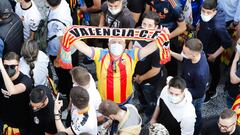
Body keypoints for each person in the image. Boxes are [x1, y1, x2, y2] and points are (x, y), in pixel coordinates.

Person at [70, 29, 170, 104]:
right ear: (108, 44)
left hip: (126, 100)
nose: (117, 44)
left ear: (125, 44)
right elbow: (84, 48)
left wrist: (161, 38)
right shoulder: (100, 54)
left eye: (120, 42)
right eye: (113, 42)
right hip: (105, 100)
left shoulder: (131, 55)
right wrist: (71, 37)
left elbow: (149, 48)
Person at [131, 11, 167, 120]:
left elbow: (155, 70)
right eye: (144, 24)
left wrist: (140, 78)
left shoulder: (157, 45)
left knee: (150, 98)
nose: (146, 28)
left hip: (148, 80)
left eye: (150, 25)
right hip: (136, 74)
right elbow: (130, 45)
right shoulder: (137, 32)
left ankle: (150, 115)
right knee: (140, 94)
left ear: (156, 27)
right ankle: (143, 106)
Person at [170, 38, 210, 135]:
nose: (182, 53)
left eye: (185, 52)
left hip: (195, 97)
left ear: (193, 54)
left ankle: (197, 130)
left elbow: (199, 92)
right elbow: (184, 59)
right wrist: (170, 53)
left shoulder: (200, 73)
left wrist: (181, 91)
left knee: (195, 114)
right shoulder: (197, 54)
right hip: (187, 86)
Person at [197, 0, 232, 103]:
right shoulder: (205, 14)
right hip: (202, 46)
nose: (205, 14)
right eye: (203, 11)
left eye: (208, 12)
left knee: (214, 71)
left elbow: (227, 42)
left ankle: (212, 91)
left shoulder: (218, 26)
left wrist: (214, 55)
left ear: (215, 11)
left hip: (212, 53)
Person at [147, 0, 187, 76]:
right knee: (153, 58)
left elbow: (182, 27)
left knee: (170, 62)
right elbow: (147, 13)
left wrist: (165, 38)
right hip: (153, 34)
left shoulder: (175, 6)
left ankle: (171, 79)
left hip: (169, 37)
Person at [46, 0, 75, 100]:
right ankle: (64, 88)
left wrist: (58, 59)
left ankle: (68, 95)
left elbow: (63, 42)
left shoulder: (59, 18)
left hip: (61, 53)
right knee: (67, 75)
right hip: (69, 48)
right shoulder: (63, 3)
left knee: (65, 76)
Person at [0, 52, 33, 134]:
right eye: (6, 66)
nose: (9, 69)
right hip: (4, 122)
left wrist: (2, 69)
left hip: (21, 126)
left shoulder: (26, 80)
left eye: (12, 66)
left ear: (19, 66)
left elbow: (12, 90)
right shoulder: (1, 76)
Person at [228, 38, 240, 108]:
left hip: (236, 97)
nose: (236, 46)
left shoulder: (237, 57)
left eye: (239, 45)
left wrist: (235, 59)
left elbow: (233, 80)